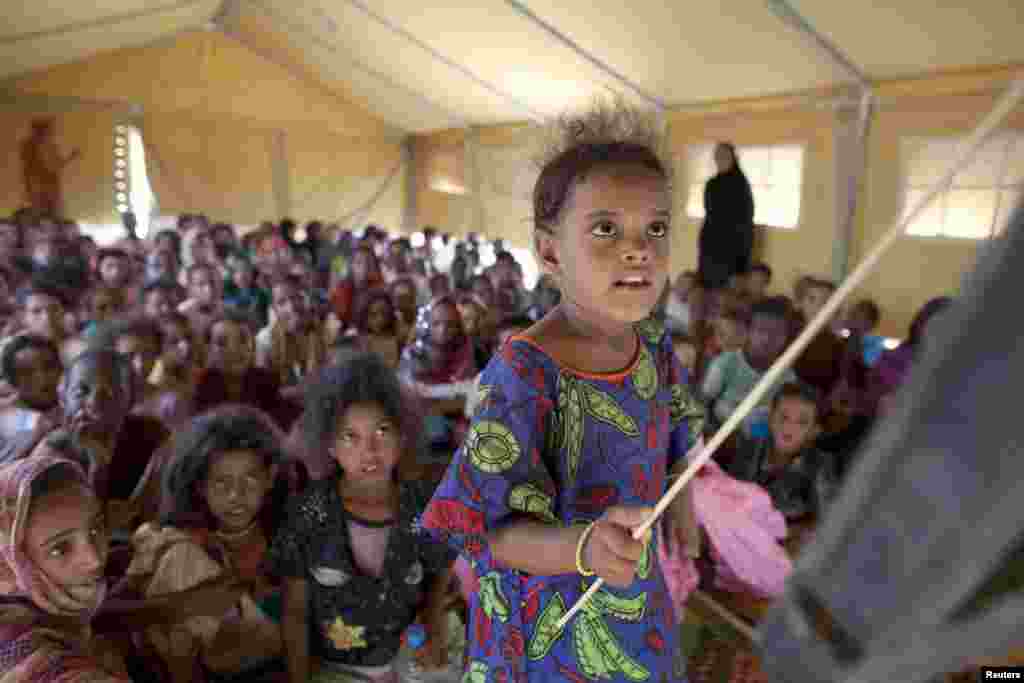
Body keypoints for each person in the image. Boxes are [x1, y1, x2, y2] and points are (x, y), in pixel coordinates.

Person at [422, 101, 704, 682]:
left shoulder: (654, 345)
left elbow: (677, 436)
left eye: (655, 228)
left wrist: (684, 505)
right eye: (606, 229)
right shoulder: (523, 374)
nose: (638, 249)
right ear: (550, 251)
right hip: (546, 633)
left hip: (633, 606)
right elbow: (487, 531)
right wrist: (583, 548)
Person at [269, 356, 455, 683]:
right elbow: (295, 614)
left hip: (409, 659)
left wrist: (433, 622)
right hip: (336, 668)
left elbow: (439, 571)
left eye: (382, 432)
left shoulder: (423, 504)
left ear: (402, 436)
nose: (369, 450)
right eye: (350, 437)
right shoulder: (307, 515)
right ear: (328, 445)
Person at [126, 406, 299, 682]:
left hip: (271, 661)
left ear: (270, 478)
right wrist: (186, 604)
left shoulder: (285, 536)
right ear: (199, 486)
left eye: (250, 481)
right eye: (221, 483)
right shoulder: (178, 543)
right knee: (177, 557)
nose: (236, 495)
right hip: (197, 668)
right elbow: (110, 611)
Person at [0, 456, 131, 681]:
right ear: (13, 560)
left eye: (95, 529)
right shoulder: (29, 654)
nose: (95, 560)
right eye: (60, 549)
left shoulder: (49, 610)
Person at [27, 350, 170, 535]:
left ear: (131, 400)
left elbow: (152, 518)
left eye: (110, 394)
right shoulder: (52, 451)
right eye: (81, 392)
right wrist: (98, 467)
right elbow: (80, 532)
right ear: (63, 398)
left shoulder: (154, 437)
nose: (94, 403)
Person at [702, 296, 797, 434]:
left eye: (777, 332)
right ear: (748, 332)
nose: (768, 339)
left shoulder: (787, 377)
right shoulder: (726, 364)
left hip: (759, 444)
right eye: (761, 330)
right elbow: (703, 404)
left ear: (786, 337)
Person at [193, 311, 297, 430]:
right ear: (209, 349)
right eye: (221, 343)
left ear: (253, 344)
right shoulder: (200, 385)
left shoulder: (267, 381)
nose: (234, 350)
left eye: (242, 340)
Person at [256, 276, 327, 396]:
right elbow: (264, 393)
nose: (292, 307)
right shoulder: (265, 339)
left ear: (308, 299)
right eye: (281, 302)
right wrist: (302, 390)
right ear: (274, 309)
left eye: (297, 298)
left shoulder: (327, 333)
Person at [698, 143, 755, 291]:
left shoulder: (741, 185)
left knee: (724, 297)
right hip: (710, 247)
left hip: (733, 252)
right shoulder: (712, 184)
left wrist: (740, 267)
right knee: (705, 292)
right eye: (717, 156)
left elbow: (745, 223)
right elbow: (710, 214)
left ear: (733, 158)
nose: (720, 159)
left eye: (724, 156)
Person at [0, 334, 62, 463]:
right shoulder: (5, 420)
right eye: (27, 373)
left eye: (49, 367)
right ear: (13, 382)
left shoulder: (73, 408)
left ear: (61, 368)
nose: (43, 379)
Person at [350, 289, 403, 369]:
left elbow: (391, 369)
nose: (380, 319)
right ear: (364, 316)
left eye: (384, 314)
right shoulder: (355, 339)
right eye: (373, 315)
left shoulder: (393, 340)